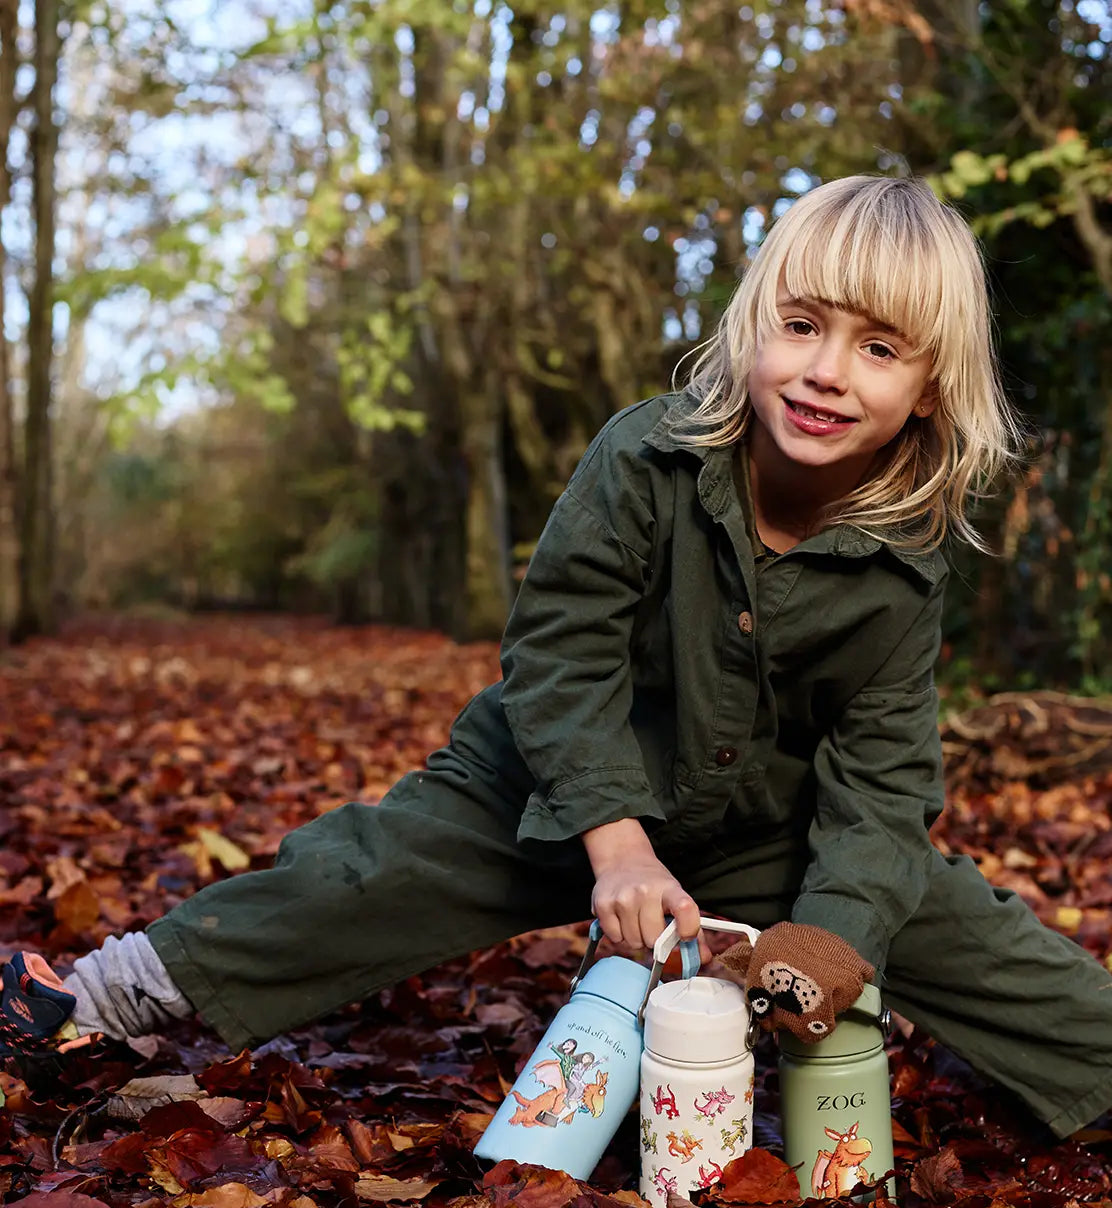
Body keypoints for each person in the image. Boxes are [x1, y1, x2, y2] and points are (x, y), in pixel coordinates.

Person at [4, 175, 1112, 1139]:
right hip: (543, 787)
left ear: (928, 384)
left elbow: (882, 776)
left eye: (875, 350)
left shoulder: (907, 557)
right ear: (750, 324)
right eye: (801, 325)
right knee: (367, 870)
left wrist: (832, 932)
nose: (825, 372)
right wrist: (616, 846)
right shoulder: (646, 458)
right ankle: (109, 988)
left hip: (758, 830)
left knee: (959, 930)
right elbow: (560, 649)